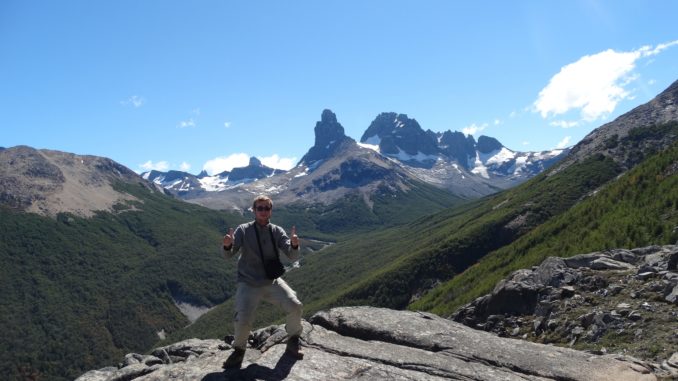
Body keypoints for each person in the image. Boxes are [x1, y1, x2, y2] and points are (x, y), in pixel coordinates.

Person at [221, 195, 304, 369]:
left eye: (267, 208)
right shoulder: (243, 230)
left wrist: (295, 244)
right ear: (254, 210)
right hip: (248, 282)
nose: (263, 211)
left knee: (295, 305)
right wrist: (228, 245)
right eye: (260, 208)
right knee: (243, 320)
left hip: (271, 280)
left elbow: (292, 255)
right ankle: (238, 350)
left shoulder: (276, 231)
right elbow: (229, 255)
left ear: (271, 211)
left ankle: (294, 339)